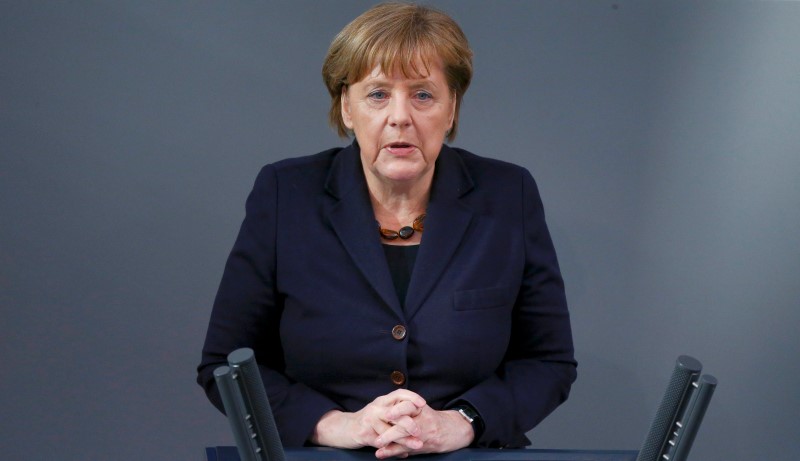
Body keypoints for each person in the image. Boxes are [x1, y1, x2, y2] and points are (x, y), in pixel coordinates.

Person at [197, 3, 576, 458]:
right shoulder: (286, 194)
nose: (400, 116)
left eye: (422, 95)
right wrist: (337, 425)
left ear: (451, 107)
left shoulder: (507, 194)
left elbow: (548, 362)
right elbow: (226, 365)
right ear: (347, 107)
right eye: (378, 94)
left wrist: (461, 422)